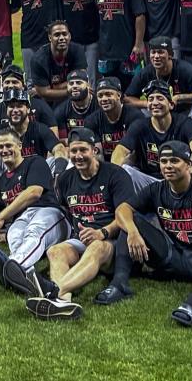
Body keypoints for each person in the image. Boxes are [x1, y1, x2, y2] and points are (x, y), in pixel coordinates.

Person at [94, 140, 192, 328]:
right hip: (172, 256)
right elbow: (123, 209)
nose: (168, 166)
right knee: (131, 223)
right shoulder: (157, 189)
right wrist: (132, 232)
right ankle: (119, 284)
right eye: (164, 161)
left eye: (174, 161)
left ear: (189, 164)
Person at [22, 128, 136, 320]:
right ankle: (63, 303)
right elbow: (64, 209)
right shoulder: (65, 180)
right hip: (82, 239)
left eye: (83, 150)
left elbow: (127, 215)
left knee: (97, 248)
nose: (78, 156)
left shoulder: (116, 175)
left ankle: (55, 291)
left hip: (114, 242)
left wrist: (102, 232)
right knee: (55, 251)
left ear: (94, 151)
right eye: (73, 151)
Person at [0, 89, 66, 237]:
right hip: (7, 186)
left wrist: (59, 170)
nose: (15, 110)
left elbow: (58, 148)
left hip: (33, 184)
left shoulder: (39, 128)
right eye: (11, 107)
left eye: (19, 106)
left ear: (28, 108)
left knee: (56, 161)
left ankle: (61, 210)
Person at [0, 127, 68, 293]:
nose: (4, 150)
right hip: (23, 218)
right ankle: (25, 278)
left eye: (9, 145)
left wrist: (2, 217)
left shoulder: (35, 162)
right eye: (0, 147)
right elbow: (10, 209)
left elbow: (34, 192)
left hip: (49, 212)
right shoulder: (1, 182)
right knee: (14, 233)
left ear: (19, 146)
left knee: (34, 231)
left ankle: (12, 266)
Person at [111, 80, 192, 186]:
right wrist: (115, 173)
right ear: (147, 106)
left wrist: (190, 175)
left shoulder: (186, 123)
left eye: (160, 98)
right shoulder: (139, 126)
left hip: (181, 178)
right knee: (126, 170)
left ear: (171, 104)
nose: (155, 103)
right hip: (150, 181)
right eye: (151, 99)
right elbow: (120, 151)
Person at [94, 0, 146, 83]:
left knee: (130, 89)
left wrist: (139, 44)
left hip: (128, 50)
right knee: (108, 88)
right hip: (105, 50)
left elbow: (140, 16)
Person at [124, 36, 192, 116]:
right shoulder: (145, 73)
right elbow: (127, 99)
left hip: (183, 112)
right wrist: (150, 103)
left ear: (170, 55)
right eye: (153, 52)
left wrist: (179, 97)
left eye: (160, 52)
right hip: (154, 113)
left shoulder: (185, 69)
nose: (156, 56)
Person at [30, 20, 88, 106]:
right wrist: (72, 91)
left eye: (64, 34)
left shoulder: (77, 50)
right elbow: (44, 93)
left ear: (69, 36)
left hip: (71, 99)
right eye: (57, 35)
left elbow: (81, 79)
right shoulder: (38, 59)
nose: (61, 38)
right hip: (46, 101)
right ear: (50, 38)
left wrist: (54, 87)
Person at [86, 76, 146, 153]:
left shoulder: (135, 117)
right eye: (100, 96)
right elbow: (97, 153)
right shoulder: (91, 120)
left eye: (108, 94)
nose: (104, 99)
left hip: (128, 162)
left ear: (119, 95)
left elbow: (134, 153)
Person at [50, 70, 99, 141]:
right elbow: (63, 140)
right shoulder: (61, 110)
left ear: (88, 85)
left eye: (79, 83)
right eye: (71, 83)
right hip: (72, 148)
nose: (74, 86)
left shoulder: (98, 105)